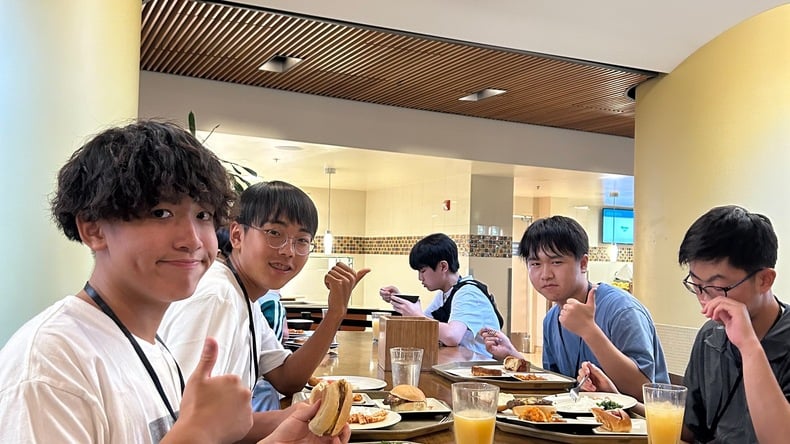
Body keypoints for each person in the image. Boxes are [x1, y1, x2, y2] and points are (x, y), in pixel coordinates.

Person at [0, 121, 344, 443]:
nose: (192, 240)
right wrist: (196, 434)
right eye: (161, 213)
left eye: (203, 215)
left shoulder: (153, 349)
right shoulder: (51, 367)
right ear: (93, 229)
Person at [160, 180, 370, 420]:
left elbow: (287, 378)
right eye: (275, 233)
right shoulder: (218, 295)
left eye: (301, 240)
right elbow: (180, 418)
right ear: (237, 235)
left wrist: (335, 313)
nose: (288, 251)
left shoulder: (244, 296)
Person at [481, 215, 668, 400]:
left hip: (640, 419)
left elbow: (642, 392)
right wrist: (513, 356)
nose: (545, 275)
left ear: (583, 263)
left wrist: (589, 330)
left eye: (556, 262)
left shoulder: (622, 310)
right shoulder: (552, 319)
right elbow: (558, 387)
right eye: (535, 264)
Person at [379, 233, 499, 357]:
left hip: (482, 364)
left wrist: (417, 316)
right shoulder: (445, 293)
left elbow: (452, 336)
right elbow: (425, 326)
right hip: (462, 362)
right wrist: (399, 300)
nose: (420, 278)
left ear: (443, 266)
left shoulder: (468, 293)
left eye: (423, 271)